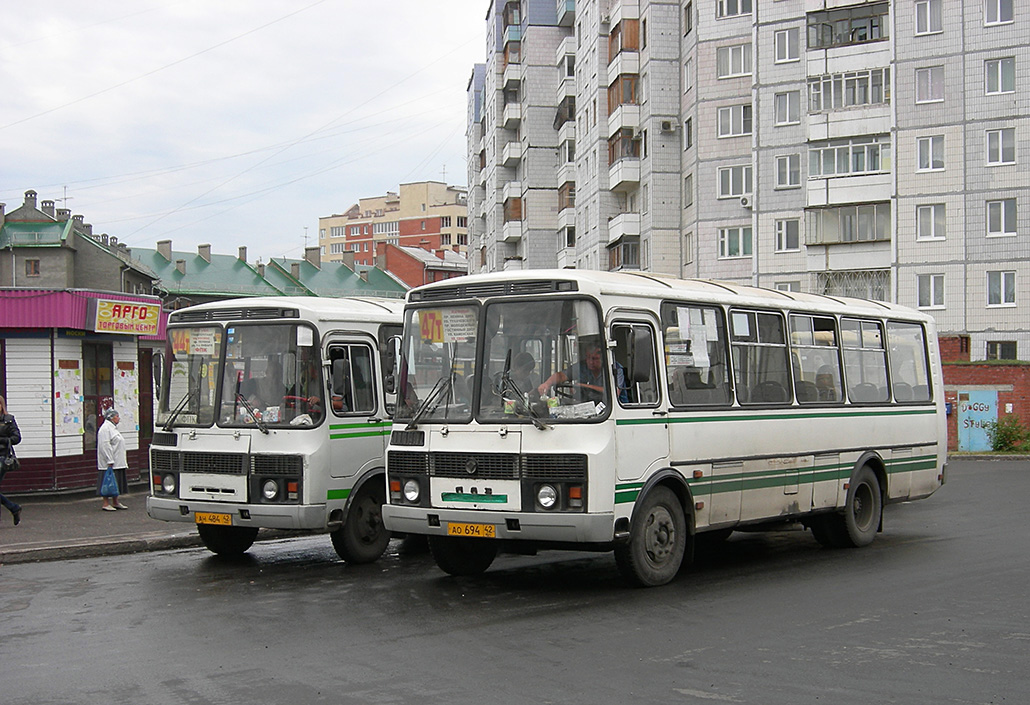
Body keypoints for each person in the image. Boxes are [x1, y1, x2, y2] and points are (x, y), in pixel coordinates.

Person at [538, 341, 628, 404]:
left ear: (603, 358)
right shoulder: (582, 366)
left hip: (614, 412)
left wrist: (585, 386)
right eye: (588, 357)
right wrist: (547, 383)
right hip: (590, 408)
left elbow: (614, 393)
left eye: (594, 358)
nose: (590, 362)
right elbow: (561, 376)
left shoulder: (615, 368)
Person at [96, 408, 129, 511]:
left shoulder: (113, 428)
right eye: (117, 416)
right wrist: (109, 459)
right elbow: (105, 445)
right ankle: (106, 503)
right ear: (111, 418)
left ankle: (115, 502)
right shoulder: (105, 429)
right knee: (107, 482)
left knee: (116, 482)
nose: (118, 418)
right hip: (109, 462)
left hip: (118, 461)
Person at [0, 395, 23, 526]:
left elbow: (17, 438)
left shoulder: (8, 420)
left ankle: (14, 508)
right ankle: (14, 508)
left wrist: (3, 440)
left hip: (2, 458)